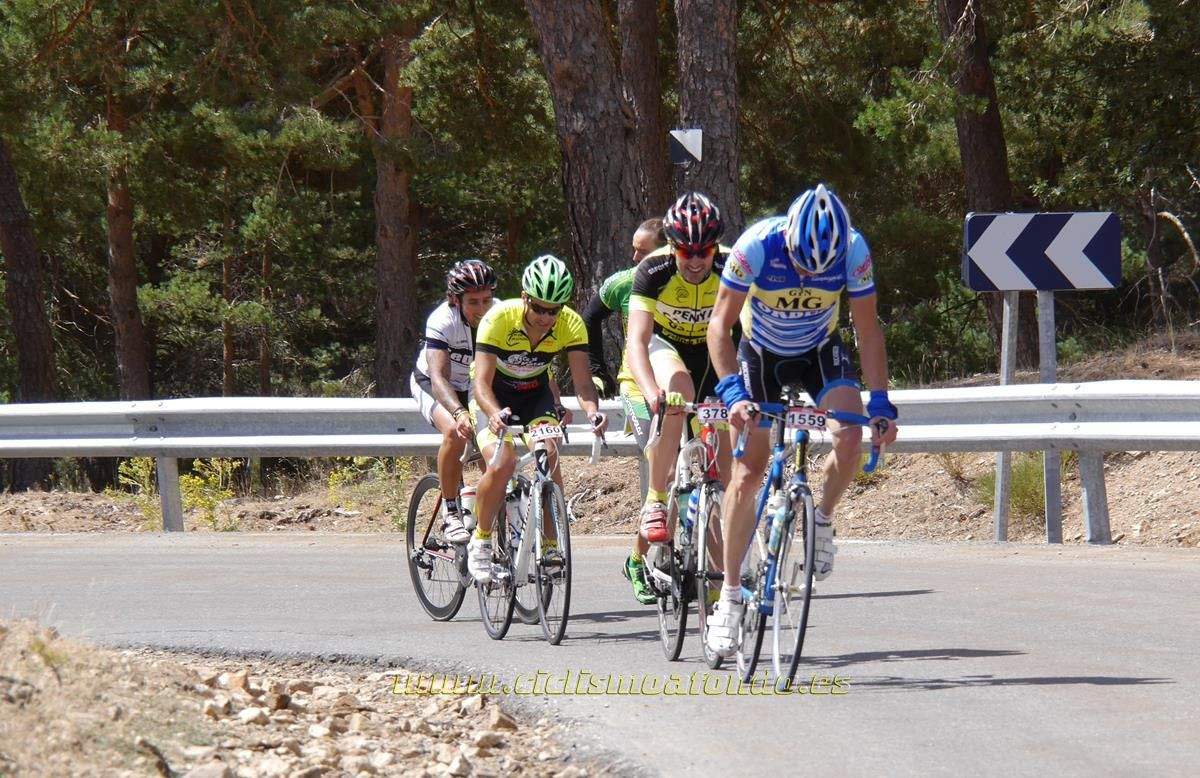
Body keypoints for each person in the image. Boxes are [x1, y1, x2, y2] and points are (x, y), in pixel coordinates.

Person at [705, 184, 900, 657]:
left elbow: (868, 329)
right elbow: (719, 325)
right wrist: (732, 392)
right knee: (747, 473)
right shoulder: (756, 246)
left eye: (819, 270)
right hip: (760, 354)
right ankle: (729, 599)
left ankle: (823, 521)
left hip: (817, 352)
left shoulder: (853, 251)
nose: (808, 275)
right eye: (801, 264)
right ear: (788, 238)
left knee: (850, 436)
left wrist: (880, 401)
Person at [620, 192, 734, 605]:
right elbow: (637, 340)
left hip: (714, 355)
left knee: (718, 478)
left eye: (705, 250)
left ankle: (723, 587)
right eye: (686, 250)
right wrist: (652, 392)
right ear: (672, 245)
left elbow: (753, 336)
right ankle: (653, 502)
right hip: (666, 351)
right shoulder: (654, 269)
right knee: (678, 392)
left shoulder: (732, 266)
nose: (696, 260)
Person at [467, 254, 609, 582]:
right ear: (525, 298)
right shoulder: (498, 319)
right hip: (494, 395)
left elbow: (584, 382)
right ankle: (482, 538)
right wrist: (492, 413)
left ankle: (550, 545)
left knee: (549, 451)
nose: (547, 317)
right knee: (502, 463)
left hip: (535, 395)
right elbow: (481, 384)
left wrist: (593, 412)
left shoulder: (571, 324)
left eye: (554, 310)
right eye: (540, 309)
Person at [408, 259, 497, 543]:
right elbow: (438, 378)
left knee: (492, 445)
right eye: (473, 302)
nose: (482, 309)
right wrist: (458, 413)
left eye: (486, 300)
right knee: (454, 433)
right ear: (454, 300)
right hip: (434, 384)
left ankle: (490, 520)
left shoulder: (500, 314)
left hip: (474, 385)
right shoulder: (441, 321)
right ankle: (451, 512)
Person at [580, 218, 665, 397]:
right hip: (634, 381)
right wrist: (597, 370)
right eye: (634, 249)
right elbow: (590, 317)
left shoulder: (685, 282)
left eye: (643, 252)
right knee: (648, 426)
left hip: (675, 377)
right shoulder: (624, 282)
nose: (635, 257)